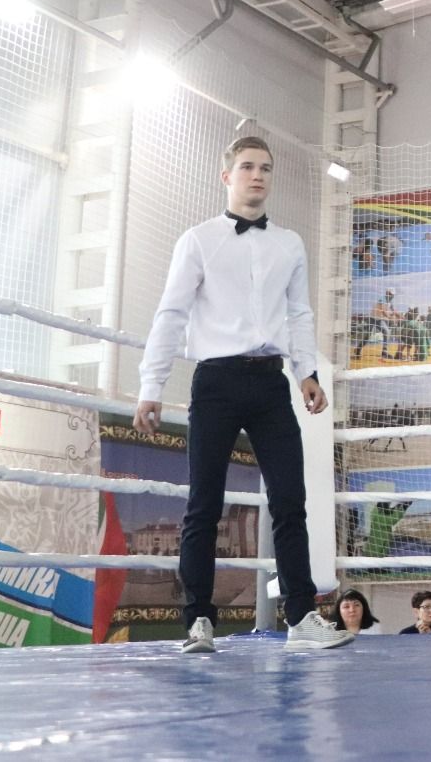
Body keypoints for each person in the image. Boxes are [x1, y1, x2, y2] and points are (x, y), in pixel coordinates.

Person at [135, 136, 352, 655]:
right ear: (226, 175)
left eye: (266, 169)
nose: (258, 176)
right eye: (248, 167)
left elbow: (299, 314)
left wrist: (308, 372)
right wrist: (151, 385)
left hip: (271, 381)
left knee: (290, 500)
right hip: (214, 382)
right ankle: (198, 622)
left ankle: (300, 617)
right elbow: (171, 313)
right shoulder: (198, 240)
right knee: (203, 504)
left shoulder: (290, 244)